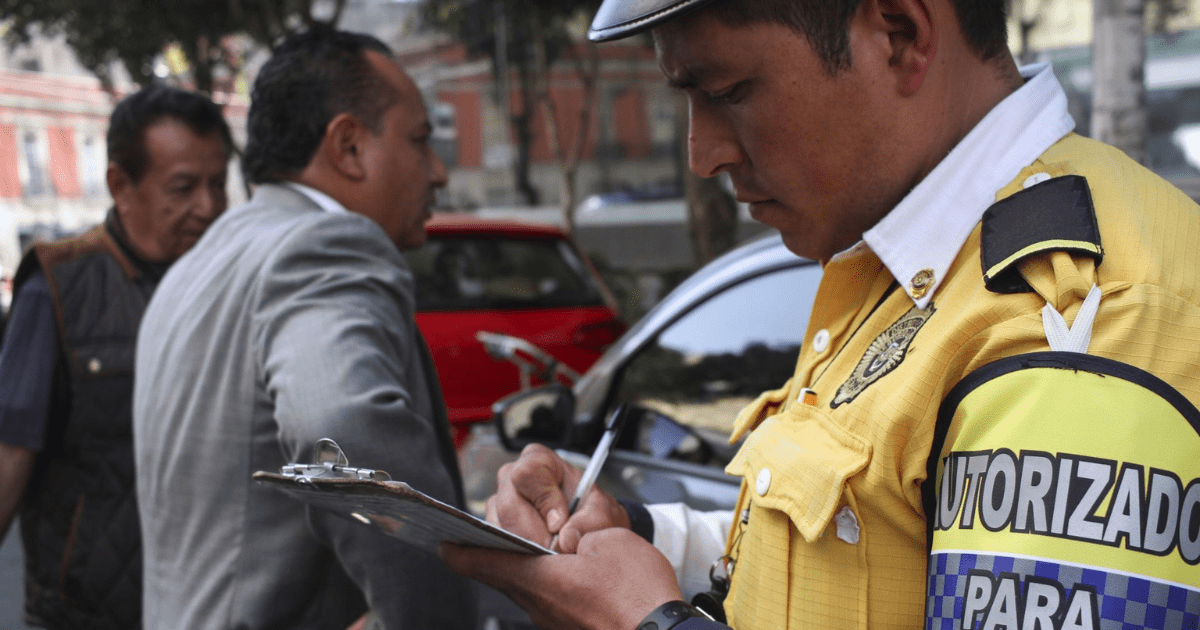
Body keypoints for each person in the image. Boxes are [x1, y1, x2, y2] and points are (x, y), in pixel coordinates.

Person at [441, 0, 1200, 629]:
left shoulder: (1078, 321)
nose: (703, 154)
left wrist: (640, 622)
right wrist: (637, 535)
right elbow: (848, 554)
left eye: (729, 92)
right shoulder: (915, 250)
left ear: (899, 35)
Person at [132, 27, 477, 630]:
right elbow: (346, 425)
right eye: (421, 141)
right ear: (348, 146)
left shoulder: (202, 259)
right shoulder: (326, 243)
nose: (439, 172)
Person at [0, 85, 231, 630]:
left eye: (219, 184)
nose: (208, 207)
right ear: (120, 186)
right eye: (184, 187)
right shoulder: (57, 287)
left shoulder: (229, 282)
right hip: (87, 613)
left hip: (212, 607)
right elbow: (9, 453)